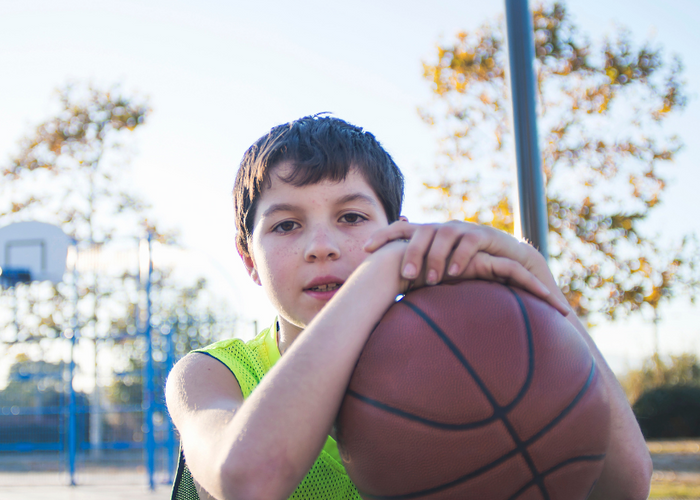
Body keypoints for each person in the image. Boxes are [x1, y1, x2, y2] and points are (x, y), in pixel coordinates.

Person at [165, 115, 652, 500]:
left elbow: (625, 488)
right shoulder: (212, 375)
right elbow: (250, 478)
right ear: (249, 260)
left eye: (351, 217)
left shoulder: (463, 360)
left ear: (397, 228)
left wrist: (537, 280)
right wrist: (383, 269)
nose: (321, 246)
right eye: (286, 226)